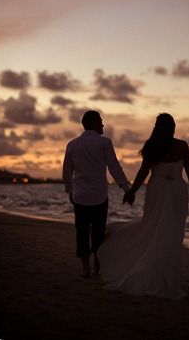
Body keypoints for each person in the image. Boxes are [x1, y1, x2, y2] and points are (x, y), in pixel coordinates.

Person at [98, 113, 189, 300]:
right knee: (172, 232)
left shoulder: (152, 147)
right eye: (173, 125)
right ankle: (162, 272)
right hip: (177, 189)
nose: (175, 128)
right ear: (171, 127)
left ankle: (161, 270)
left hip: (159, 189)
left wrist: (132, 191)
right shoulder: (182, 146)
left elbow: (143, 173)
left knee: (154, 227)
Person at [62, 110, 130, 278]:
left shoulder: (72, 144)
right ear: (93, 123)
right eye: (100, 122)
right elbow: (114, 167)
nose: (103, 125)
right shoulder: (105, 143)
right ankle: (97, 268)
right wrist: (127, 188)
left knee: (82, 232)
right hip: (99, 196)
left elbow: (66, 172)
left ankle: (85, 269)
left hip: (80, 197)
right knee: (98, 233)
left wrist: (70, 191)